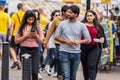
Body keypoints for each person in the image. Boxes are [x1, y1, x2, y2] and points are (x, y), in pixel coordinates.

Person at [54, 5, 91, 80]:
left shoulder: (81, 25)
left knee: (73, 77)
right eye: (68, 12)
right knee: (66, 76)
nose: (68, 13)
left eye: (70, 12)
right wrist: (66, 41)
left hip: (76, 53)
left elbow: (88, 39)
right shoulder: (62, 24)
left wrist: (79, 41)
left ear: (76, 14)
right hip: (64, 52)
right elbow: (56, 36)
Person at [15, 10, 43, 80]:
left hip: (35, 51)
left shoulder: (37, 26)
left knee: (35, 71)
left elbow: (41, 42)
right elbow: (16, 41)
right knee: (26, 71)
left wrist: (36, 36)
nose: (30, 21)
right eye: (29, 19)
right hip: (24, 50)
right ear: (26, 19)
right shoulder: (21, 27)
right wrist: (25, 36)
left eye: (32, 19)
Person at [44, 5, 69, 80]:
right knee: (59, 57)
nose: (69, 13)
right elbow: (50, 31)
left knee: (64, 58)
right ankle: (59, 72)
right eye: (68, 12)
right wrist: (46, 41)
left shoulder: (70, 20)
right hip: (57, 41)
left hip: (67, 42)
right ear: (63, 12)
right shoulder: (56, 20)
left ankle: (60, 73)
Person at [81, 10, 106, 80]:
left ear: (94, 16)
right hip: (82, 47)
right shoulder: (81, 24)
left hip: (95, 47)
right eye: (87, 16)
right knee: (85, 66)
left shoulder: (98, 26)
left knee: (91, 65)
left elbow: (102, 36)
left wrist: (102, 39)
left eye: (90, 15)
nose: (89, 17)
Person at [9, 3, 25, 69]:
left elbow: (12, 26)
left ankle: (15, 61)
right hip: (23, 34)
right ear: (22, 7)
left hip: (15, 34)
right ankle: (19, 64)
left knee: (11, 47)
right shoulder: (25, 15)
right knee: (20, 49)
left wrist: (10, 35)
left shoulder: (14, 15)